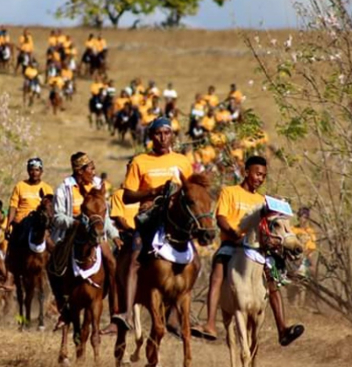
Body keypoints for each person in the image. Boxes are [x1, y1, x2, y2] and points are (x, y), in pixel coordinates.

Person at [191, 156, 304, 346]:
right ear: (246, 172)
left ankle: (282, 328)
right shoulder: (230, 192)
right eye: (258, 174)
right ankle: (210, 323)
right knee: (218, 270)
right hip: (232, 244)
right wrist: (233, 233)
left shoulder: (263, 201)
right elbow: (221, 218)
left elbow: (267, 227)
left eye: (264, 176)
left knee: (272, 279)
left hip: (255, 249)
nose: (260, 179)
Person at [111, 117, 193, 331]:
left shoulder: (183, 161)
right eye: (158, 133)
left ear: (172, 135)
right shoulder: (140, 161)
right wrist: (154, 192)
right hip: (150, 218)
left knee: (195, 260)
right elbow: (127, 196)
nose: (163, 137)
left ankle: (179, 313)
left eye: (167, 133)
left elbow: (192, 191)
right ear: (151, 136)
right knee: (135, 259)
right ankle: (127, 312)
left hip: (176, 220)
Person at [51, 152, 121, 333]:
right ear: (79, 171)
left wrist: (114, 235)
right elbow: (57, 217)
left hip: (96, 234)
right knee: (55, 265)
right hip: (72, 233)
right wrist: (75, 222)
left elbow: (104, 215)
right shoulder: (64, 188)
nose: (93, 171)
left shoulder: (98, 185)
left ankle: (116, 313)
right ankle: (62, 307)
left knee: (112, 262)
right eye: (90, 168)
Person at [6, 158, 54, 233]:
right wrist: (8, 224)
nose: (34, 173)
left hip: (39, 225)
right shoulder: (20, 186)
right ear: (28, 171)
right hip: (20, 224)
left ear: (41, 172)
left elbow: (50, 209)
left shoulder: (47, 188)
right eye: (31, 170)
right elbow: (13, 206)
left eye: (37, 170)